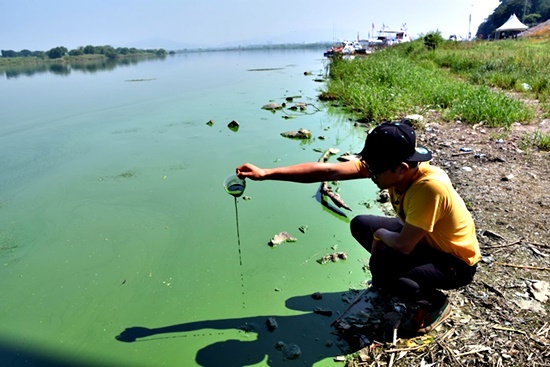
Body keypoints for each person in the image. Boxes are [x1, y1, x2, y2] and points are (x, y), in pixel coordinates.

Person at [236, 121, 480, 335]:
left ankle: (433, 302)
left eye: (374, 171)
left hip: (455, 263)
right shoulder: (394, 167)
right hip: (424, 239)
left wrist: (381, 234)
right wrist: (266, 173)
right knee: (361, 224)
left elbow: (404, 246)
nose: (369, 174)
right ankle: (402, 282)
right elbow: (328, 170)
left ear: (402, 168)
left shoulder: (428, 187)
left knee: (382, 263)